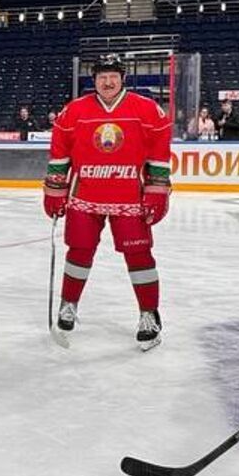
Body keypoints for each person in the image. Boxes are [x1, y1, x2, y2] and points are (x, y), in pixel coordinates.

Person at [44, 55, 173, 350]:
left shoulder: (147, 109)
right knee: (79, 251)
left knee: (139, 256)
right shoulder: (73, 111)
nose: (108, 81)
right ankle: (69, 305)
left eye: (113, 75)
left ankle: (148, 314)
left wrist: (156, 190)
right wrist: (55, 189)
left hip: (129, 198)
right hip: (84, 197)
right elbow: (60, 152)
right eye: (102, 76)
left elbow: (158, 153)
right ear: (94, 79)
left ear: (123, 77)